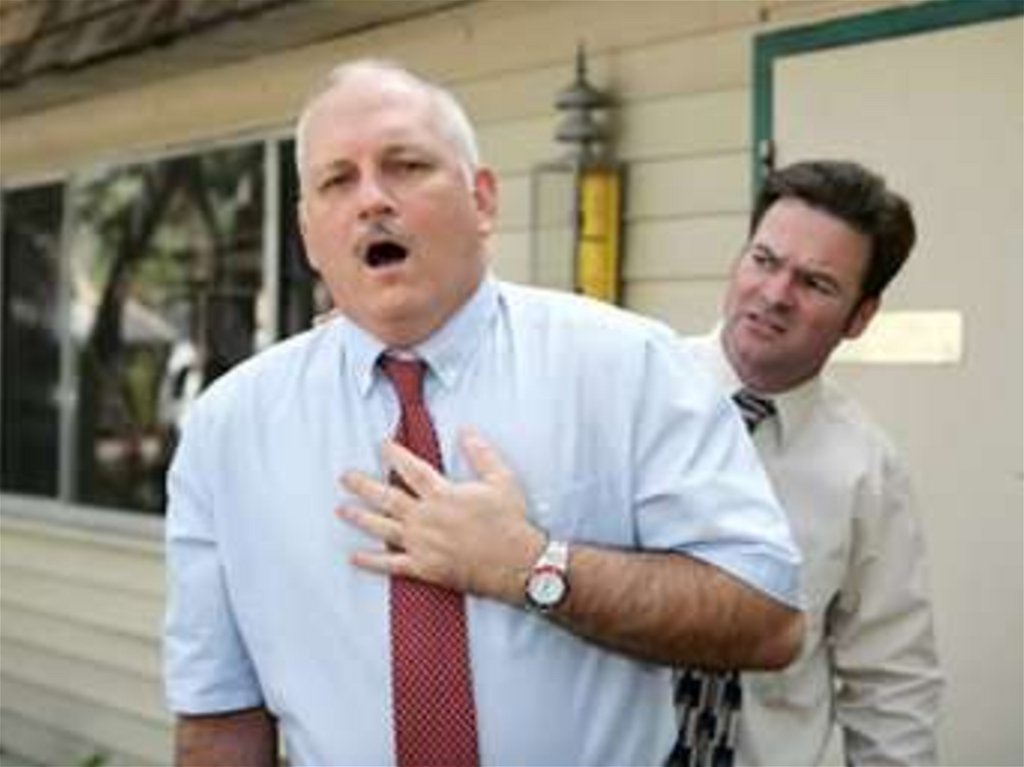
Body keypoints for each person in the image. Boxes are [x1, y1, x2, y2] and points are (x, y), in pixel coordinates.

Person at [163, 59, 805, 767]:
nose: (372, 199)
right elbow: (219, 714)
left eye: (406, 166)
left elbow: (767, 619)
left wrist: (532, 566)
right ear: (309, 233)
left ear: (483, 200)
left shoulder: (629, 367)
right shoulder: (229, 428)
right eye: (337, 180)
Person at [675, 160, 943, 766]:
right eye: (764, 260)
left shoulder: (867, 472)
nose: (775, 295)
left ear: (861, 317)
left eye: (816, 284)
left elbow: (892, 684)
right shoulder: (631, 398)